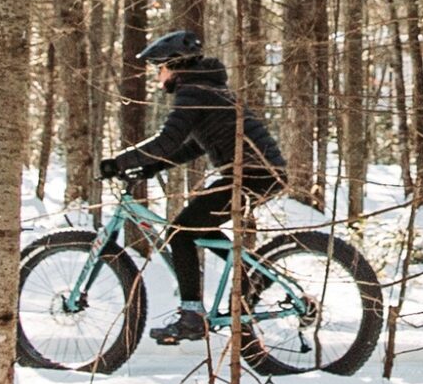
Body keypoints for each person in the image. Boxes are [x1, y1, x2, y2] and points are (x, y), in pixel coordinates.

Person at [100, 29, 286, 344]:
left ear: (174, 65)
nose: (159, 78)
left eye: (160, 68)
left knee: (179, 232)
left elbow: (166, 140)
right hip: (258, 173)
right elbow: (196, 146)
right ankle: (256, 274)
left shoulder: (194, 91)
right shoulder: (208, 88)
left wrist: (118, 162)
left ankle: (191, 315)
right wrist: (155, 165)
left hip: (254, 174)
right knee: (192, 229)